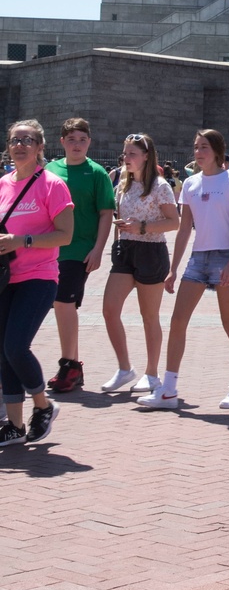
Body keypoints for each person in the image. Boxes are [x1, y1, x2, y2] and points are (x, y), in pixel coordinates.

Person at [136, 129, 229, 411]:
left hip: (225, 256)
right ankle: (169, 389)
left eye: (204, 147)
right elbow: (184, 228)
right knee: (178, 321)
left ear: (216, 150)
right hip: (197, 260)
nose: (198, 152)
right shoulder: (190, 183)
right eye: (196, 147)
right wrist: (173, 268)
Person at [0, 120, 75, 448]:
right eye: (15, 140)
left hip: (39, 277)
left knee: (16, 346)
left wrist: (22, 240)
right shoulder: (3, 184)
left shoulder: (52, 185)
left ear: (40, 147)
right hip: (6, 278)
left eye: (27, 140)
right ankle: (15, 426)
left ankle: (43, 406)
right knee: (3, 351)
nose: (20, 146)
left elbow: (65, 235)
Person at [101, 133, 179, 395]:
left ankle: (152, 373)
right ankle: (125, 368)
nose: (127, 158)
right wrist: (122, 227)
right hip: (125, 250)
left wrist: (142, 226)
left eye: (132, 153)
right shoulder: (122, 183)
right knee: (110, 309)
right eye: (125, 153)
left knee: (149, 317)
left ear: (146, 156)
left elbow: (174, 222)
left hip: (151, 251)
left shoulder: (160, 186)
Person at [45, 117, 116, 394]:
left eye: (82, 140)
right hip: (49, 248)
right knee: (62, 306)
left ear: (90, 142)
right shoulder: (50, 170)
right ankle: (73, 367)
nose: (77, 145)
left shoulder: (97, 173)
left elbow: (106, 213)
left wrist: (99, 249)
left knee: (64, 303)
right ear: (61, 142)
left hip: (80, 250)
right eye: (71, 139)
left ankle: (70, 364)